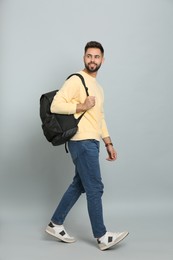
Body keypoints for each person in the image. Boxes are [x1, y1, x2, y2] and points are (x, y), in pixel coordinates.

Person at [45, 41, 129, 251]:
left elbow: (100, 117)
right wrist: (81, 105)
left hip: (92, 140)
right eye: (89, 56)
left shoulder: (98, 88)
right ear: (84, 57)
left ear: (102, 60)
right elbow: (56, 104)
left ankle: (55, 223)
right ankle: (101, 237)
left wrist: (108, 142)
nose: (93, 60)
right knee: (95, 187)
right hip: (81, 140)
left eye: (97, 57)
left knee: (80, 184)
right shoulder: (76, 79)